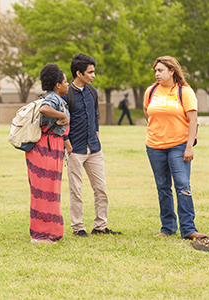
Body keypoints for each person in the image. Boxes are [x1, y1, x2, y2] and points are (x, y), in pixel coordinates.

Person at [144, 56, 206, 240]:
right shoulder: (151, 91)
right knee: (163, 187)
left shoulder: (184, 92)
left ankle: (188, 229)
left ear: (172, 71)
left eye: (160, 70)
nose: (157, 74)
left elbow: (193, 120)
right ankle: (168, 227)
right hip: (154, 146)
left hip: (179, 146)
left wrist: (189, 147)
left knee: (182, 186)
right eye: (155, 70)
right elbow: (147, 112)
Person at [62, 53, 122, 237]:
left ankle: (100, 226)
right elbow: (61, 122)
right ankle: (78, 227)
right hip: (75, 150)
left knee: (101, 188)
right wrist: (67, 144)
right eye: (90, 72)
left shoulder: (93, 92)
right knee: (76, 190)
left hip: (94, 148)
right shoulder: (66, 95)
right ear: (79, 73)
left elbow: (95, 115)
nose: (93, 75)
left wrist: (96, 133)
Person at [27, 64, 70, 244]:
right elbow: (44, 109)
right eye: (66, 81)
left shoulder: (50, 96)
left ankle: (48, 232)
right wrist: (64, 116)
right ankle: (42, 234)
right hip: (46, 148)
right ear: (58, 85)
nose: (68, 85)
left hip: (47, 146)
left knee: (46, 191)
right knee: (45, 191)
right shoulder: (52, 99)